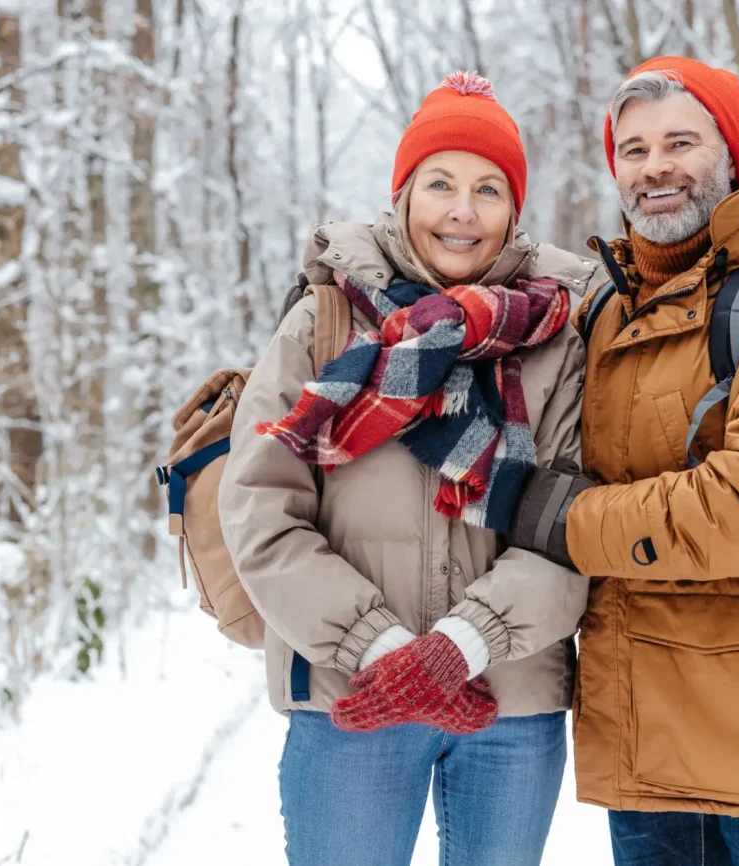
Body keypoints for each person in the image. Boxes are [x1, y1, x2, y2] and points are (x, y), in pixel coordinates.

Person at [218, 71, 599, 866]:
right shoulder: (325, 319)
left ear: (513, 209)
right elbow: (260, 504)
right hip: (349, 694)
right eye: (441, 184)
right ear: (403, 195)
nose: (463, 210)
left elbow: (576, 519)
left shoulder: (559, 337)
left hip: (511, 698)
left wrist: (464, 643)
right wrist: (381, 647)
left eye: (488, 189)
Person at [507, 57, 739, 866]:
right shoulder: (605, 305)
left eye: (682, 142)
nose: (657, 167)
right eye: (633, 150)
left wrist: (565, 521)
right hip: (639, 733)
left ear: (732, 155)